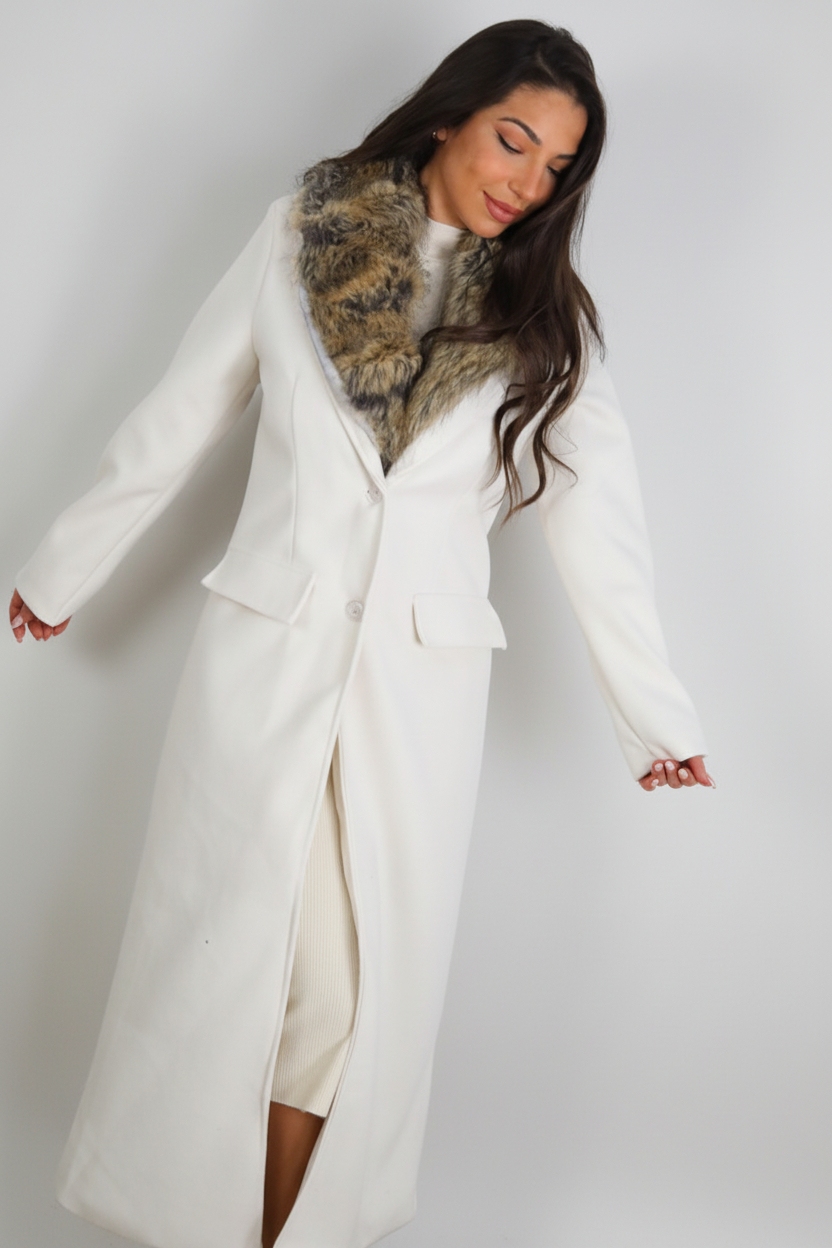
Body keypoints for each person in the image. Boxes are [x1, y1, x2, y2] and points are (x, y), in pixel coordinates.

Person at [9, 19, 714, 1248]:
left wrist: (654, 716)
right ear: (450, 115)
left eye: (556, 166)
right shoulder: (303, 234)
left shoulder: (546, 321)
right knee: (215, 975)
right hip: (265, 654)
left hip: (415, 689)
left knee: (344, 1005)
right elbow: (183, 409)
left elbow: (602, 533)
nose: (528, 180)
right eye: (513, 140)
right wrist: (62, 569)